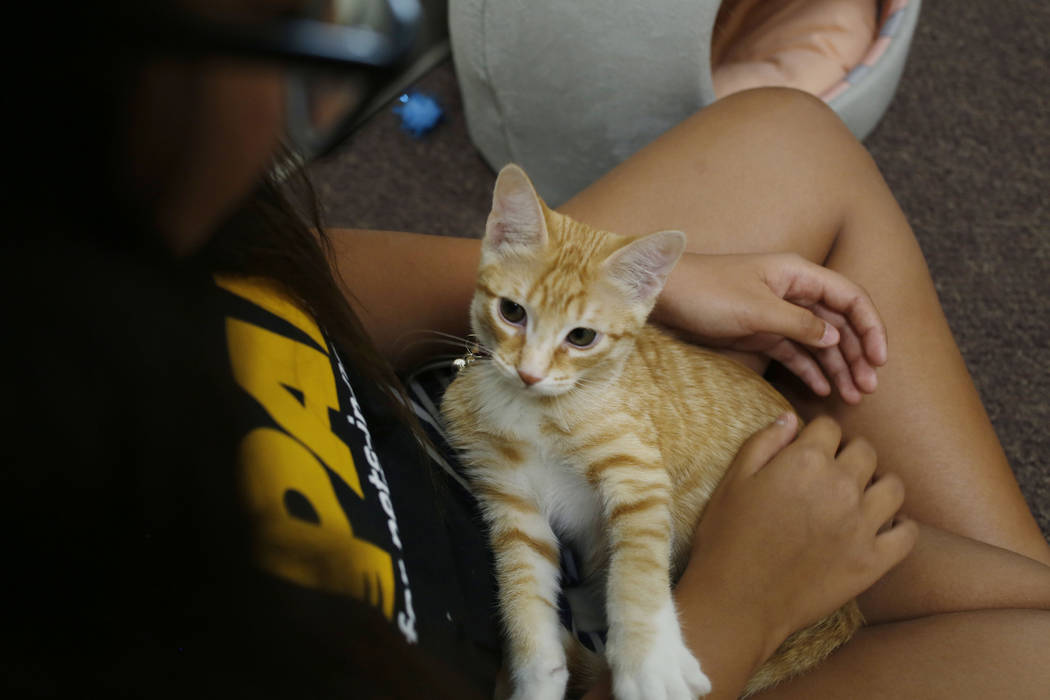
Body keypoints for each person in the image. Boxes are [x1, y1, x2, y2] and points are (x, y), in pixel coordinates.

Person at [3, 1, 1048, 698]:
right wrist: (731, 607)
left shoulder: (86, 250)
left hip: (480, 447)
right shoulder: (123, 612)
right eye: (297, 39)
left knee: (787, 143)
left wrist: (601, 285)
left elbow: (296, 281)